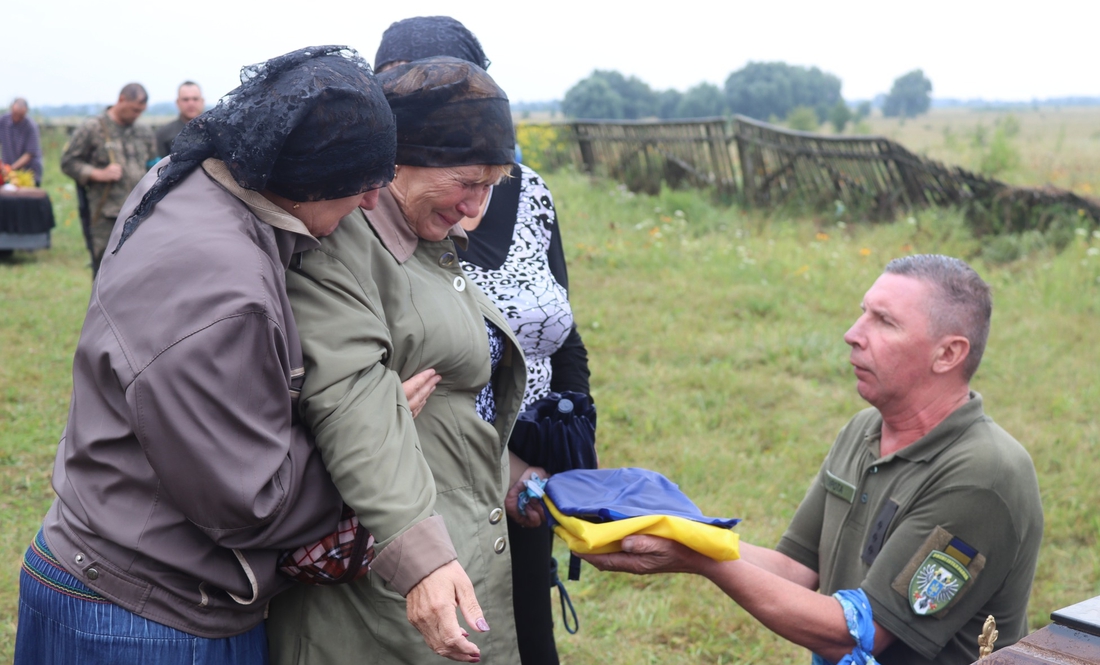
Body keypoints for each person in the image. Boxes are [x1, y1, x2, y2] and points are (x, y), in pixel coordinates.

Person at [14, 45, 397, 665]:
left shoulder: (187, 180)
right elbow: (249, 500)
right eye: (361, 183)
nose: (372, 203)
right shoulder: (225, 294)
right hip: (147, 618)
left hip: (105, 566)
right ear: (308, 176)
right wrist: (373, 433)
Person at [582, 255, 1043, 665]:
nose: (853, 334)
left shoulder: (984, 475)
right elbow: (794, 570)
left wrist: (699, 559)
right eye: (863, 312)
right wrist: (675, 527)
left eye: (884, 322)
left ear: (948, 353)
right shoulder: (865, 429)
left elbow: (855, 636)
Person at [266, 56, 535, 665]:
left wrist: (522, 481)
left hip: (450, 562)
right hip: (387, 585)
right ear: (393, 161)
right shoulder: (340, 241)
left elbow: (453, 403)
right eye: (467, 182)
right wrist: (422, 559)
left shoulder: (424, 239)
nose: (477, 208)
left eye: (492, 185)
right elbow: (351, 402)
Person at [375, 16, 592, 665]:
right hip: (428, 478)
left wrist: (573, 447)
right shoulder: (372, 206)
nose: (472, 202)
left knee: (526, 630)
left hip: (526, 468)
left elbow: (562, 331)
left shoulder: (528, 193)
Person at [60, 82, 157, 276]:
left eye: (141, 111)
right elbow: (68, 162)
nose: (137, 115)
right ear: (122, 100)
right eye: (134, 109)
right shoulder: (93, 128)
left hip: (139, 212)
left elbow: (153, 164)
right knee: (105, 271)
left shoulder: (144, 132)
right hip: (106, 215)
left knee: (137, 271)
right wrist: (98, 174)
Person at [155, 80, 205, 157]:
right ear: (178, 102)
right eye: (186, 99)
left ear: (202, 101)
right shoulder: (164, 134)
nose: (191, 103)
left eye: (195, 99)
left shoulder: (217, 131)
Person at [0, 98, 43, 185]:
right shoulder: (3, 121)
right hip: (8, 171)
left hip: (28, 171)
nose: (17, 118)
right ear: (11, 108)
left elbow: (29, 154)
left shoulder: (31, 126)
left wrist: (11, 168)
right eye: (15, 114)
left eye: (20, 115)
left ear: (26, 112)